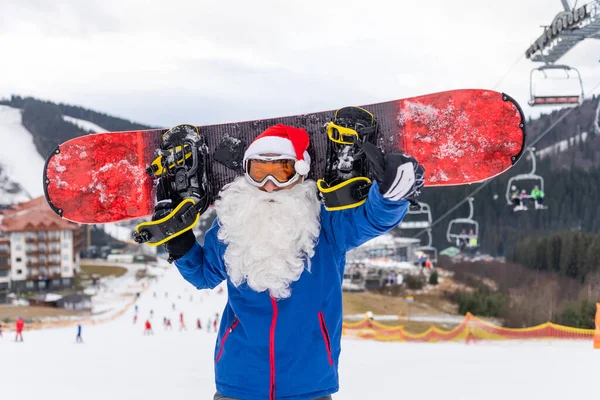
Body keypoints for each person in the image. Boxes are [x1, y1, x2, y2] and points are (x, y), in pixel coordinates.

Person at [160, 124, 423, 399]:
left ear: (299, 172)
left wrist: (391, 198)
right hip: (238, 383)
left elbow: (370, 220)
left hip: (308, 386)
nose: (269, 185)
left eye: (282, 171)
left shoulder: (326, 225)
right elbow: (203, 275)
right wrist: (179, 243)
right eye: (259, 172)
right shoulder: (234, 226)